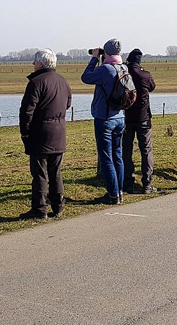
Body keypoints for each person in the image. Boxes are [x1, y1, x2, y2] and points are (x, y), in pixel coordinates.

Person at [19, 49, 72, 220]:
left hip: (40, 133)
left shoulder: (36, 82)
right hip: (59, 131)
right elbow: (68, 103)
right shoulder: (63, 81)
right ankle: (58, 205)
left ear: (40, 63)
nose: (33, 64)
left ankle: (40, 208)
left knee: (40, 173)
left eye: (34, 62)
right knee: (55, 171)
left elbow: (27, 111)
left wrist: (25, 132)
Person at [81, 38, 126, 204]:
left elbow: (85, 77)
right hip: (120, 117)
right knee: (118, 156)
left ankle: (113, 194)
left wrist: (94, 58)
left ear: (105, 52)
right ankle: (119, 191)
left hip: (105, 118)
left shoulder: (105, 69)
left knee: (106, 157)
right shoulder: (123, 67)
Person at [122, 48, 157, 194]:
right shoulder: (145, 75)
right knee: (146, 150)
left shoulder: (124, 74)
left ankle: (127, 182)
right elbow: (152, 86)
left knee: (126, 151)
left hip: (127, 118)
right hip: (143, 118)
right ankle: (147, 183)